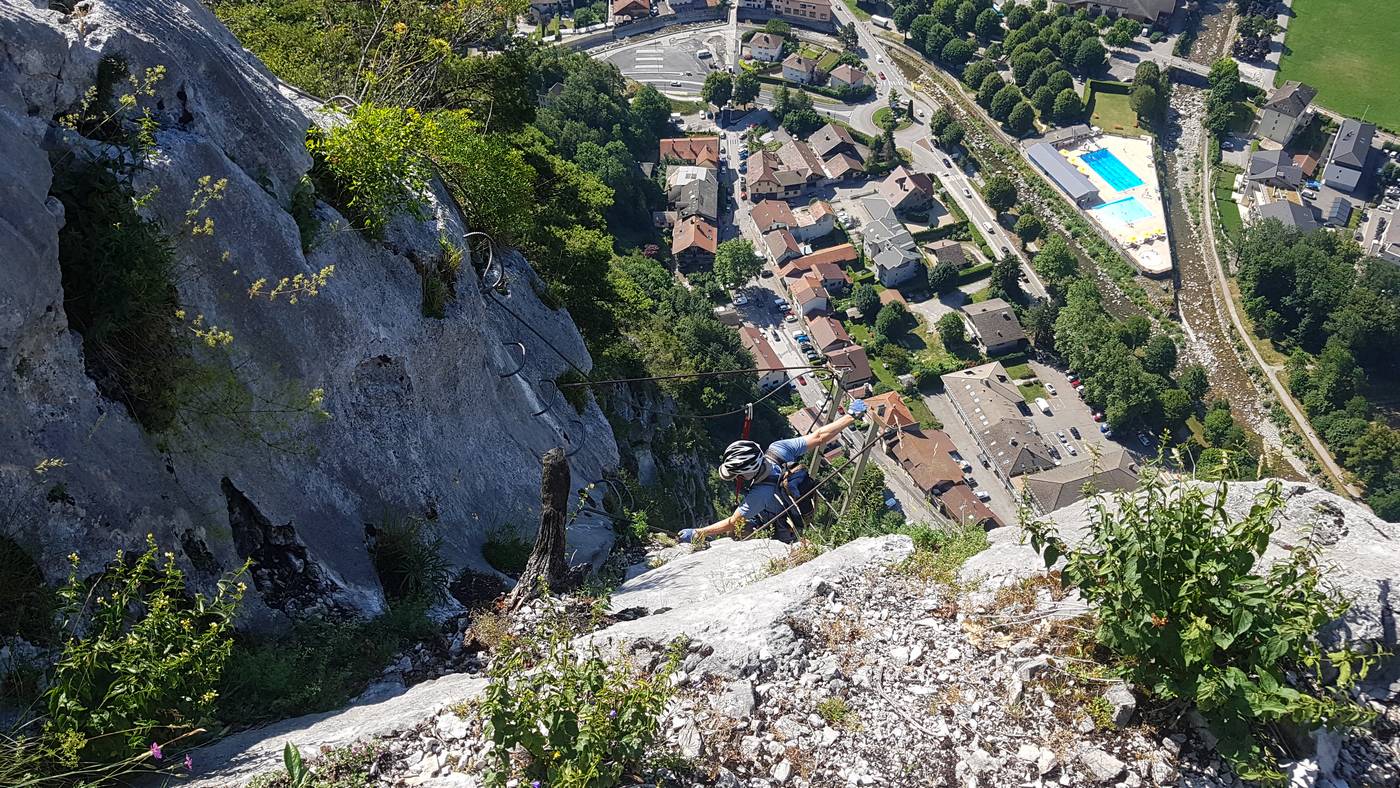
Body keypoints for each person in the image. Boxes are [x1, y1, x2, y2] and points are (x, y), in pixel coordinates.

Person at [679, 400, 867, 544]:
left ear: (747, 473)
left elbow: (733, 522)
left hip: (780, 529)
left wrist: (698, 533)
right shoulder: (778, 450)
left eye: (738, 475)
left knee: (737, 532)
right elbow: (818, 437)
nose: (737, 478)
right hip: (789, 511)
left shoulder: (760, 494)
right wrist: (851, 415)